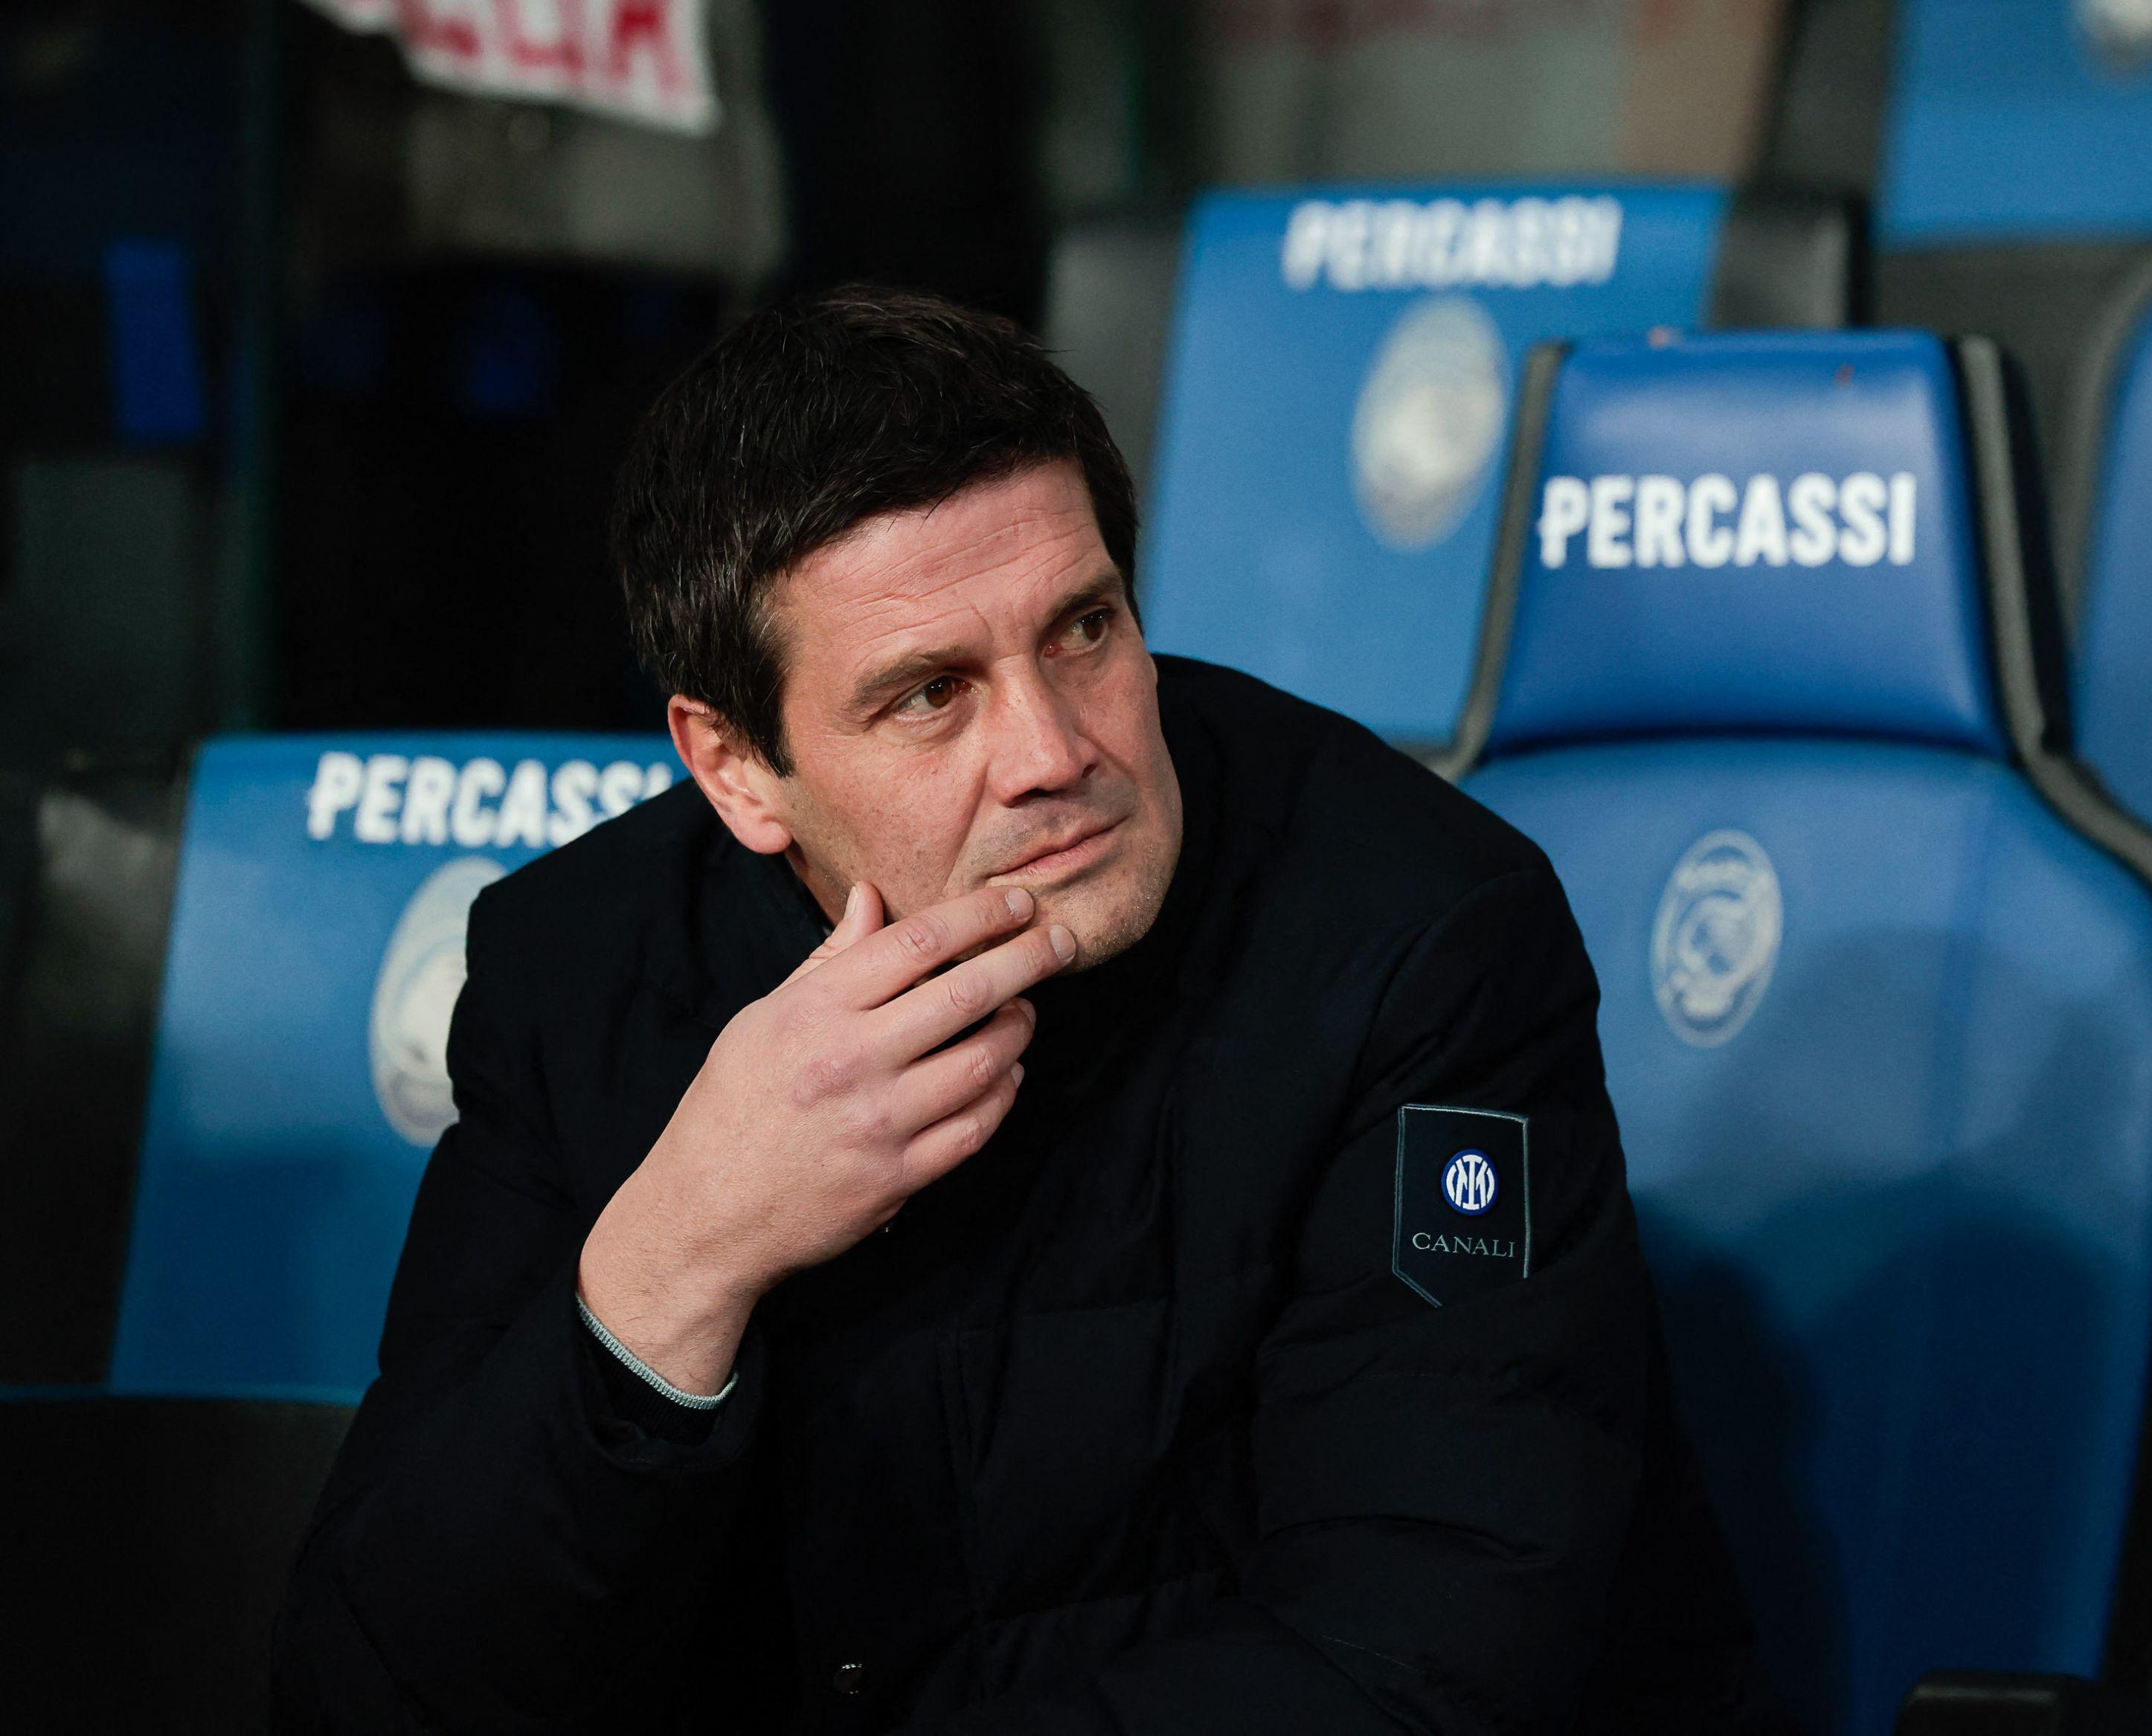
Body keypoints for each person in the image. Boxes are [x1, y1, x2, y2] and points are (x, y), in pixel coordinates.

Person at [274, 287, 1773, 1732]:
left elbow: (1423, 1652)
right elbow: (380, 1686)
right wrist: (683, 1250)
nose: (1054, 752)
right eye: (930, 694)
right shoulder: (579, 975)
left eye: (1083, 630)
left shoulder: (1417, 935)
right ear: (736, 769)